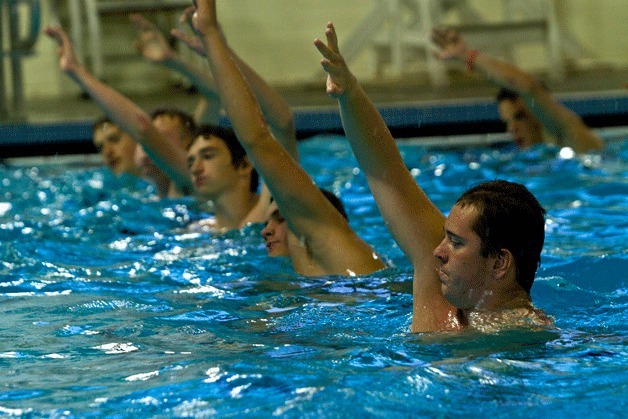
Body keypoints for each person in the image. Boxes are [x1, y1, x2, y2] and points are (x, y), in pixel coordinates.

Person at [315, 22, 552, 331]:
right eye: (445, 238)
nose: (437, 252)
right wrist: (350, 95)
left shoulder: (531, 339)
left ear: (499, 263)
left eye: (455, 242)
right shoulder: (437, 290)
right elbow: (385, 172)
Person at [190, 0, 385, 276]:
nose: (267, 231)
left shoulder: (329, 240)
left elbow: (261, 136)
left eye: (284, 218)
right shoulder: (303, 273)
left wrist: (211, 36)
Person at [45, 26, 193, 199]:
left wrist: (77, 71)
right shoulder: (120, 194)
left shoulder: (188, 185)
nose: (107, 151)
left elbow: (142, 128)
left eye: (114, 140)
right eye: (100, 147)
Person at [431, 28, 604, 153]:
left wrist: (467, 55)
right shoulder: (525, 159)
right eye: (507, 122)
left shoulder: (569, 135)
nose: (512, 129)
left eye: (520, 117)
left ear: (541, 113)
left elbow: (529, 88)